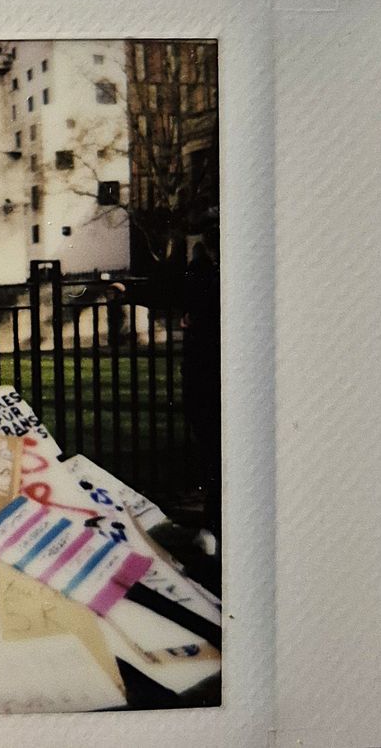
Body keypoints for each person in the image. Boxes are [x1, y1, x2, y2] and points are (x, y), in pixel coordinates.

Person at [181, 228, 222, 555]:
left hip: (207, 381)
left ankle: (214, 530)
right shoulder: (209, 277)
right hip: (212, 380)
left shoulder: (203, 277)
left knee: (214, 457)